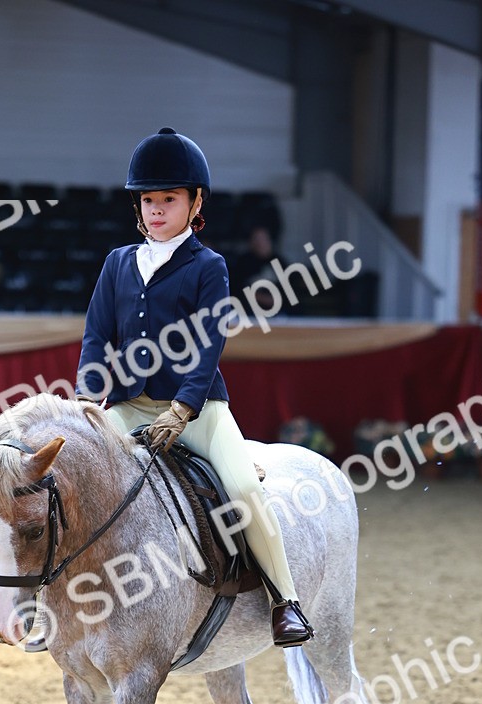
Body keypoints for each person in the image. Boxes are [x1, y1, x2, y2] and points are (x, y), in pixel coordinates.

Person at [75, 127, 312, 646]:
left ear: (194, 201)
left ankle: (284, 601)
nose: (157, 209)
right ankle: (61, 600)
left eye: (169, 199)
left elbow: (208, 346)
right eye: (149, 200)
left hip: (198, 410)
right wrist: (88, 399)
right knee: (76, 473)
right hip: (131, 406)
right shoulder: (117, 263)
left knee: (246, 490)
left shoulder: (209, 266)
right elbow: (96, 336)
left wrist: (183, 409)